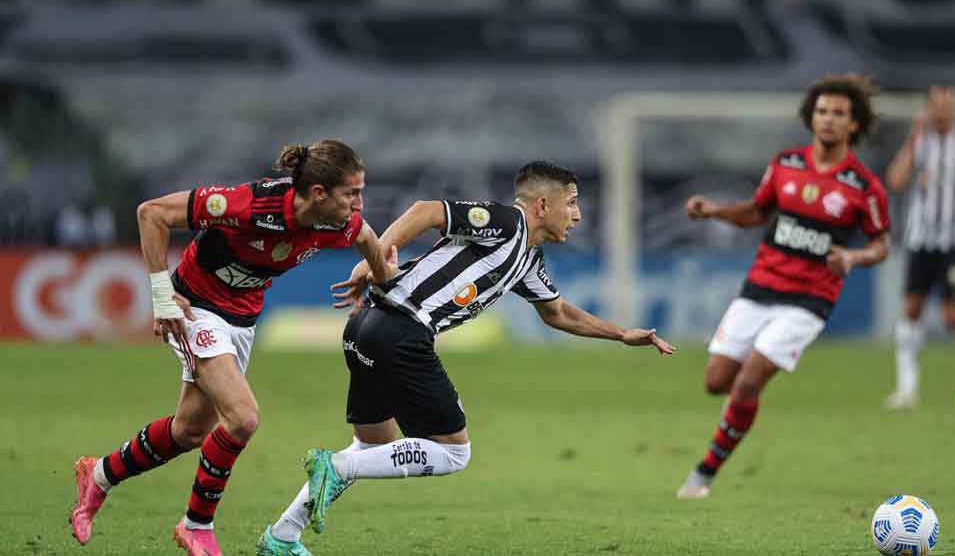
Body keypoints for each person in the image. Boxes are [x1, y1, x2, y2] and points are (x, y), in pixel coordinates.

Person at [253, 161, 676, 556]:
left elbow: (559, 313)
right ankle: (337, 467)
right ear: (542, 205)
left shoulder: (528, 259)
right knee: (453, 453)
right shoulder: (506, 223)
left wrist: (621, 334)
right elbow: (426, 211)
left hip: (367, 328)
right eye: (572, 203)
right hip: (401, 331)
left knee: (373, 444)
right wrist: (376, 254)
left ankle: (282, 534)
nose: (578, 215)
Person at [70, 140, 394, 556]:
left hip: (241, 319)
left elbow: (368, 239)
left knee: (188, 431)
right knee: (242, 419)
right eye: (352, 193)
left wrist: (380, 278)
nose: (359, 202)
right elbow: (152, 213)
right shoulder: (249, 205)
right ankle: (196, 525)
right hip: (196, 308)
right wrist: (163, 295)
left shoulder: (340, 222)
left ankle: (97, 475)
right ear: (318, 193)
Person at [675, 74, 891, 500]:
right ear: (811, 117)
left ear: (854, 124)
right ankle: (738, 409)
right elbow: (757, 213)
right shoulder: (785, 164)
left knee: (749, 381)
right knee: (717, 382)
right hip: (759, 286)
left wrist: (853, 257)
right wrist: (715, 211)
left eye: (839, 114)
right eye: (822, 111)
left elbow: (881, 245)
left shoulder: (864, 188)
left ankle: (703, 474)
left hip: (809, 301)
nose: (828, 120)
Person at [884, 85, 955, 409]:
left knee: (953, 316)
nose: (942, 111)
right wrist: (911, 140)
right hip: (921, 239)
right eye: (936, 105)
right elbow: (895, 180)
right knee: (912, 308)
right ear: (928, 109)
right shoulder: (919, 143)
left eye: (947, 105)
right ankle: (907, 389)